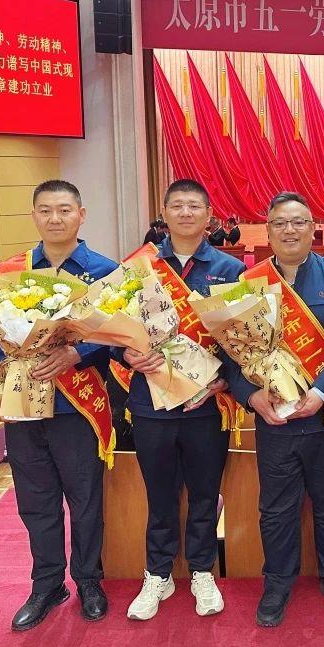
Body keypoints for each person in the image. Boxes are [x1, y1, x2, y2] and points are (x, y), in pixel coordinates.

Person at [0, 179, 118, 630]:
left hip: (76, 407)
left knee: (85, 499)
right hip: (24, 406)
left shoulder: (105, 271)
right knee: (36, 500)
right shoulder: (11, 272)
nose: (55, 218)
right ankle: (46, 584)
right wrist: (6, 363)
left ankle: (89, 580)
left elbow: (119, 335)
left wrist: (78, 353)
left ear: (81, 214)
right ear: (34, 216)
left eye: (64, 210)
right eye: (45, 210)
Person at [120, 179, 245, 622]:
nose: (186, 213)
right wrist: (125, 354)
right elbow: (112, 328)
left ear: (209, 215)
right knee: (160, 495)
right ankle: (157, 574)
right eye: (178, 205)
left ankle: (202, 572)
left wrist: (224, 381)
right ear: (165, 214)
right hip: (150, 403)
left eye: (195, 206)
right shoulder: (139, 266)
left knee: (205, 494)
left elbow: (244, 339)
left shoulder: (231, 269)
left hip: (204, 406)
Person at [235, 192, 324, 628]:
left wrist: (322, 393)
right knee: (276, 509)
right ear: (268, 231)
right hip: (274, 419)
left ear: (313, 229)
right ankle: (277, 583)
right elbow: (229, 350)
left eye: (299, 222)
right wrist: (250, 396)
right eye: (280, 223)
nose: (290, 230)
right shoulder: (248, 282)